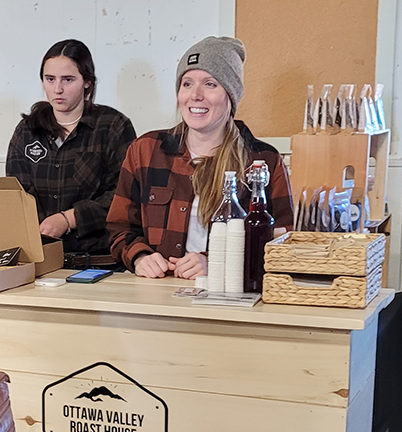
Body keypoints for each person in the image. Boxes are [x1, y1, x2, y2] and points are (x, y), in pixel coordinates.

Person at [107, 36, 293, 279]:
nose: (195, 95)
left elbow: (283, 238)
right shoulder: (145, 150)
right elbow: (119, 228)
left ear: (231, 95)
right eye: (187, 84)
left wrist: (216, 262)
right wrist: (140, 257)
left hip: (229, 299)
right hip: (157, 299)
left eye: (210, 84)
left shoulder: (263, 160)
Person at [6, 39, 136, 259]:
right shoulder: (27, 131)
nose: (58, 89)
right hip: (42, 255)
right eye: (50, 79)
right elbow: (17, 193)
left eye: (68, 80)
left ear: (87, 82)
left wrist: (69, 219)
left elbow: (124, 194)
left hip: (98, 257)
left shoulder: (113, 126)